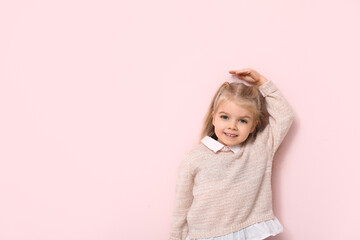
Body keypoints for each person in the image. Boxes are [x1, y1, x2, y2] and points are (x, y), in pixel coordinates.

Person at [168, 68, 295, 240]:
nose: (232, 126)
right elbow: (181, 207)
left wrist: (262, 82)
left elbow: (284, 115)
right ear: (214, 118)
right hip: (205, 235)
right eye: (225, 117)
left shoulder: (260, 147)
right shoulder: (194, 158)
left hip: (246, 232)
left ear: (252, 126)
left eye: (242, 120)